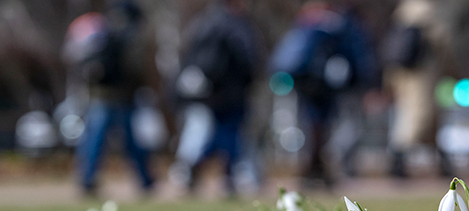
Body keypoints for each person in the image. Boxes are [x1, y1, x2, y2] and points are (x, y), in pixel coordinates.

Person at [270, 2, 376, 187]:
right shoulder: (338, 25)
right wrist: (364, 80)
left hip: (305, 83)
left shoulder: (304, 24)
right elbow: (356, 54)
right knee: (324, 126)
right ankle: (318, 166)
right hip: (326, 85)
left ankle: (314, 167)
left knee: (312, 124)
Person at [172, 0, 261, 194]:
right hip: (228, 94)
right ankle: (234, 177)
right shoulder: (234, 26)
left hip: (208, 93)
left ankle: (190, 172)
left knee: (205, 134)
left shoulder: (203, 23)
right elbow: (247, 61)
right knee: (228, 136)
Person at [75, 0, 154, 194]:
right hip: (108, 97)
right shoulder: (115, 36)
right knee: (102, 139)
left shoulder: (108, 34)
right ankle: (89, 179)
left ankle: (144, 179)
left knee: (114, 140)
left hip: (116, 97)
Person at [383, 0, 455, 178]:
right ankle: (397, 159)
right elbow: (441, 41)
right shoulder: (425, 9)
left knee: (422, 117)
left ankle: (443, 162)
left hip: (401, 71)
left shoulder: (404, 9)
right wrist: (451, 70)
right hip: (420, 73)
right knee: (420, 116)